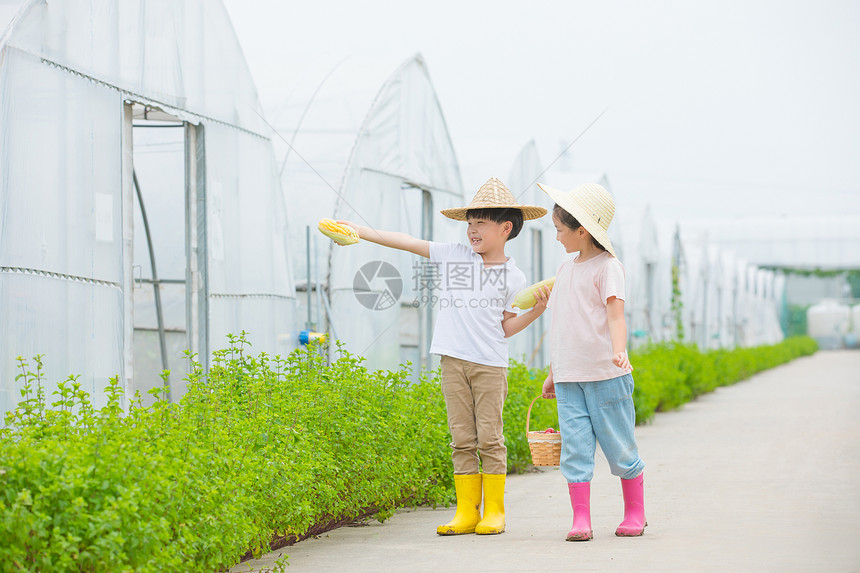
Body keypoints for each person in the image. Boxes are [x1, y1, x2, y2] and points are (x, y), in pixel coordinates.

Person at [339, 177, 547, 536]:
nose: (472, 231)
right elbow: (406, 243)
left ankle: (494, 512)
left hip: (489, 365)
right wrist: (360, 230)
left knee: (490, 439)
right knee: (461, 438)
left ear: (506, 228)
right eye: (469, 224)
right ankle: (467, 512)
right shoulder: (455, 255)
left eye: (480, 223)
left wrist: (536, 312)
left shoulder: (514, 276)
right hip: (452, 360)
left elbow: (506, 326)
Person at [534, 181, 646, 541]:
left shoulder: (608, 267)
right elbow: (564, 324)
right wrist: (554, 372)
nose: (556, 237)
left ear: (581, 231)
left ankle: (635, 513)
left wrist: (619, 349)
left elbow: (616, 315)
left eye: (559, 230)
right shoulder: (565, 270)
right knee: (576, 448)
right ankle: (581, 520)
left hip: (605, 373)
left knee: (619, 445)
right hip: (570, 378)